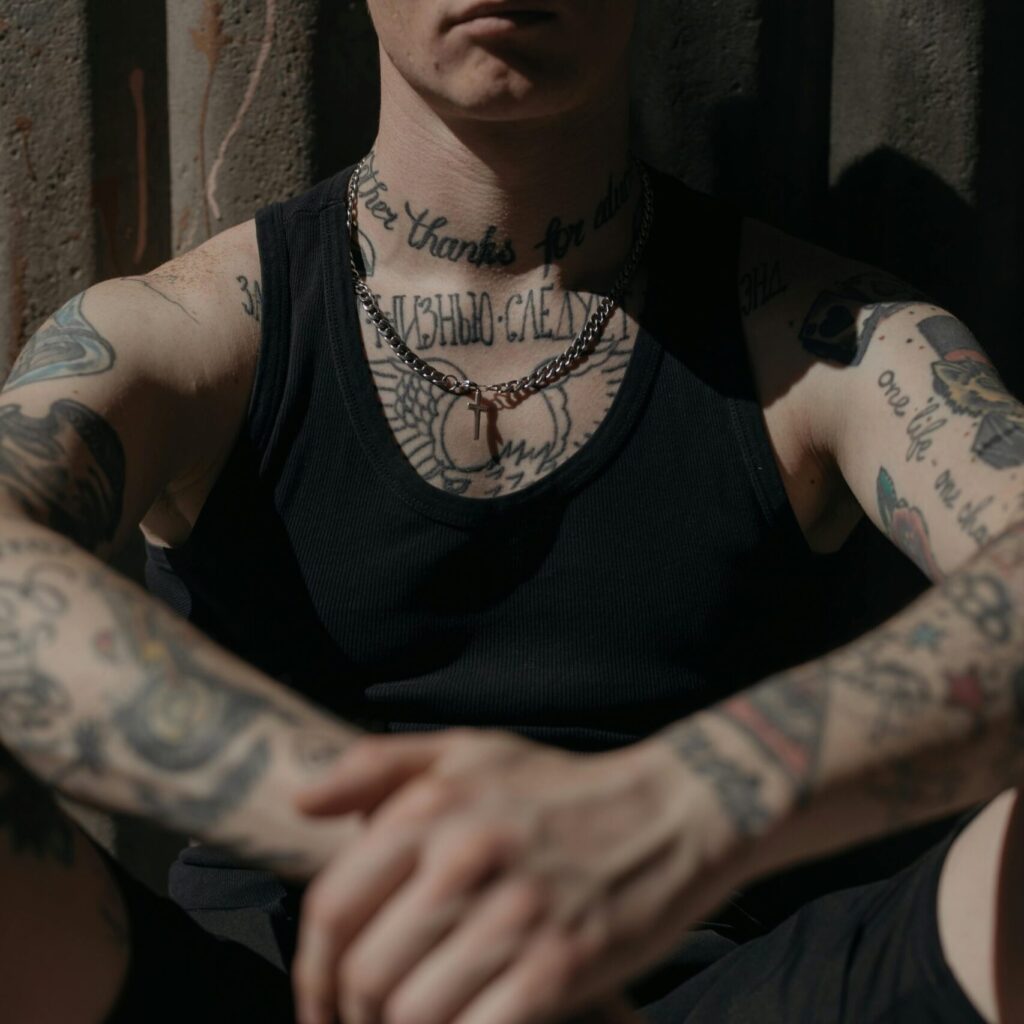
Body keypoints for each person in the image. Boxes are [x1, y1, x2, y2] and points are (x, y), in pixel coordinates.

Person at [1, 1, 1022, 1021]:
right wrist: (409, 843)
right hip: (277, 990)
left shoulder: (832, 341)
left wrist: (663, 812)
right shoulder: (186, 333)